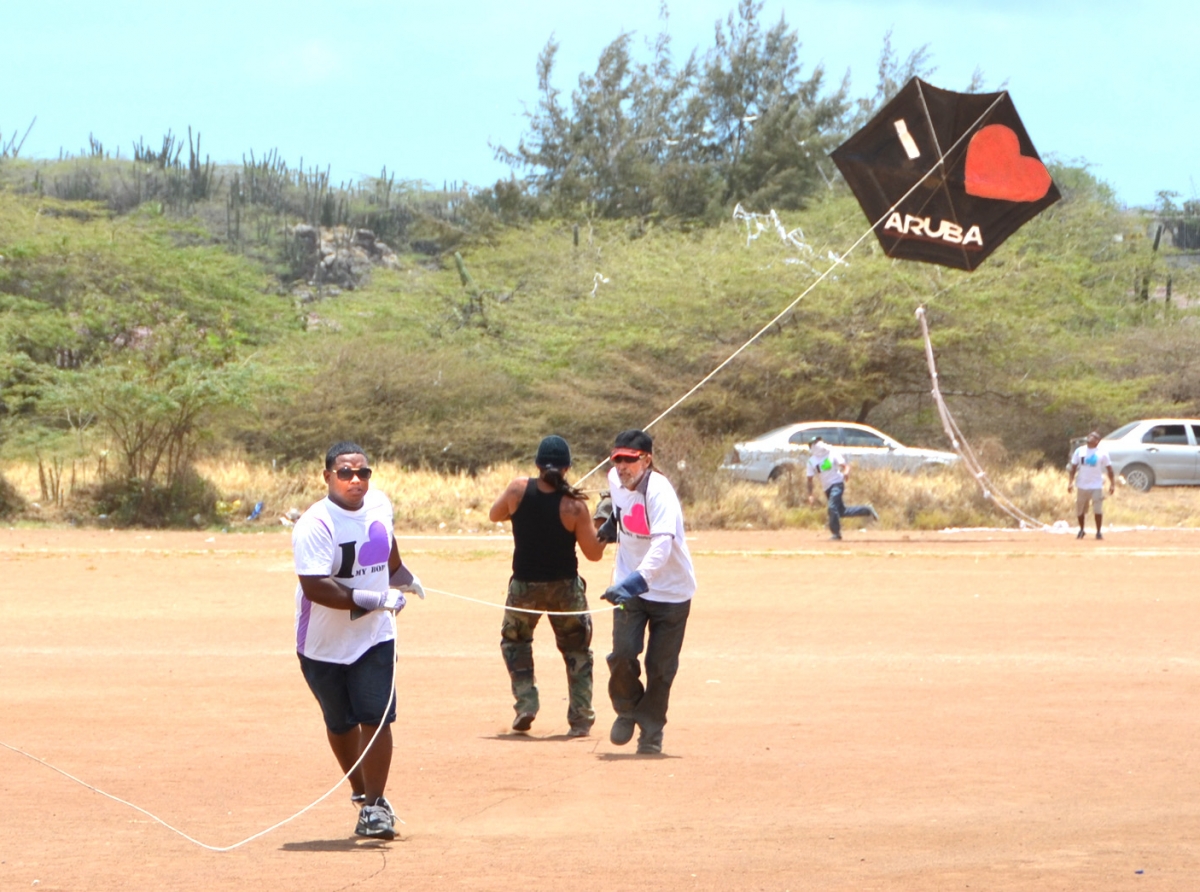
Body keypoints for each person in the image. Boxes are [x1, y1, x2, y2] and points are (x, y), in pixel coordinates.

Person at [292, 441, 425, 840]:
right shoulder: (315, 524)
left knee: (376, 716)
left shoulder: (380, 505)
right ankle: (359, 789)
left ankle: (374, 806)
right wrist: (371, 597)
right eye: (346, 472)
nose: (356, 480)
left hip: (374, 637)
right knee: (340, 723)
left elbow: (386, 550)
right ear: (327, 476)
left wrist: (402, 577)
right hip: (323, 644)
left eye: (363, 472)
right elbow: (316, 587)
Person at [489, 435, 607, 737]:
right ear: (567, 467)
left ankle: (527, 701)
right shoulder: (575, 507)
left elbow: (495, 514)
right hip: (565, 589)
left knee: (515, 642)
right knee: (577, 650)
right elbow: (593, 554)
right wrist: (603, 524)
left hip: (524, 588)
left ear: (538, 465)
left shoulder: (518, 489)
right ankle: (581, 718)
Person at [598, 429, 696, 755]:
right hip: (632, 588)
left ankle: (651, 732)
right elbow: (616, 501)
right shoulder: (615, 479)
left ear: (647, 460)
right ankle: (627, 709)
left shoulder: (660, 492)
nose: (622, 466)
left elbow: (662, 545)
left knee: (661, 668)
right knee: (622, 654)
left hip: (670, 592)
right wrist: (612, 519)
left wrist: (636, 581)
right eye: (617, 459)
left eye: (630, 460)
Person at [805, 436, 878, 541]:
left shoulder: (832, 453)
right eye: (815, 443)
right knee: (842, 511)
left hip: (837, 483)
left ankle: (836, 534)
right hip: (827, 488)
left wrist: (846, 472)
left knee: (832, 507)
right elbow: (809, 479)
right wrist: (810, 494)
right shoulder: (811, 461)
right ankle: (867, 510)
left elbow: (845, 466)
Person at [1067, 430, 1115, 540]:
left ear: (1097, 441)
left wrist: (1112, 484)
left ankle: (1098, 532)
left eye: (1093, 437)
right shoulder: (1080, 451)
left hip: (1096, 485)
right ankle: (1081, 530)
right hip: (1082, 484)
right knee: (1080, 509)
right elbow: (1073, 467)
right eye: (1089, 436)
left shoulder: (1102, 453)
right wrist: (1070, 482)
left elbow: (1110, 469)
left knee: (1097, 509)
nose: (1090, 439)